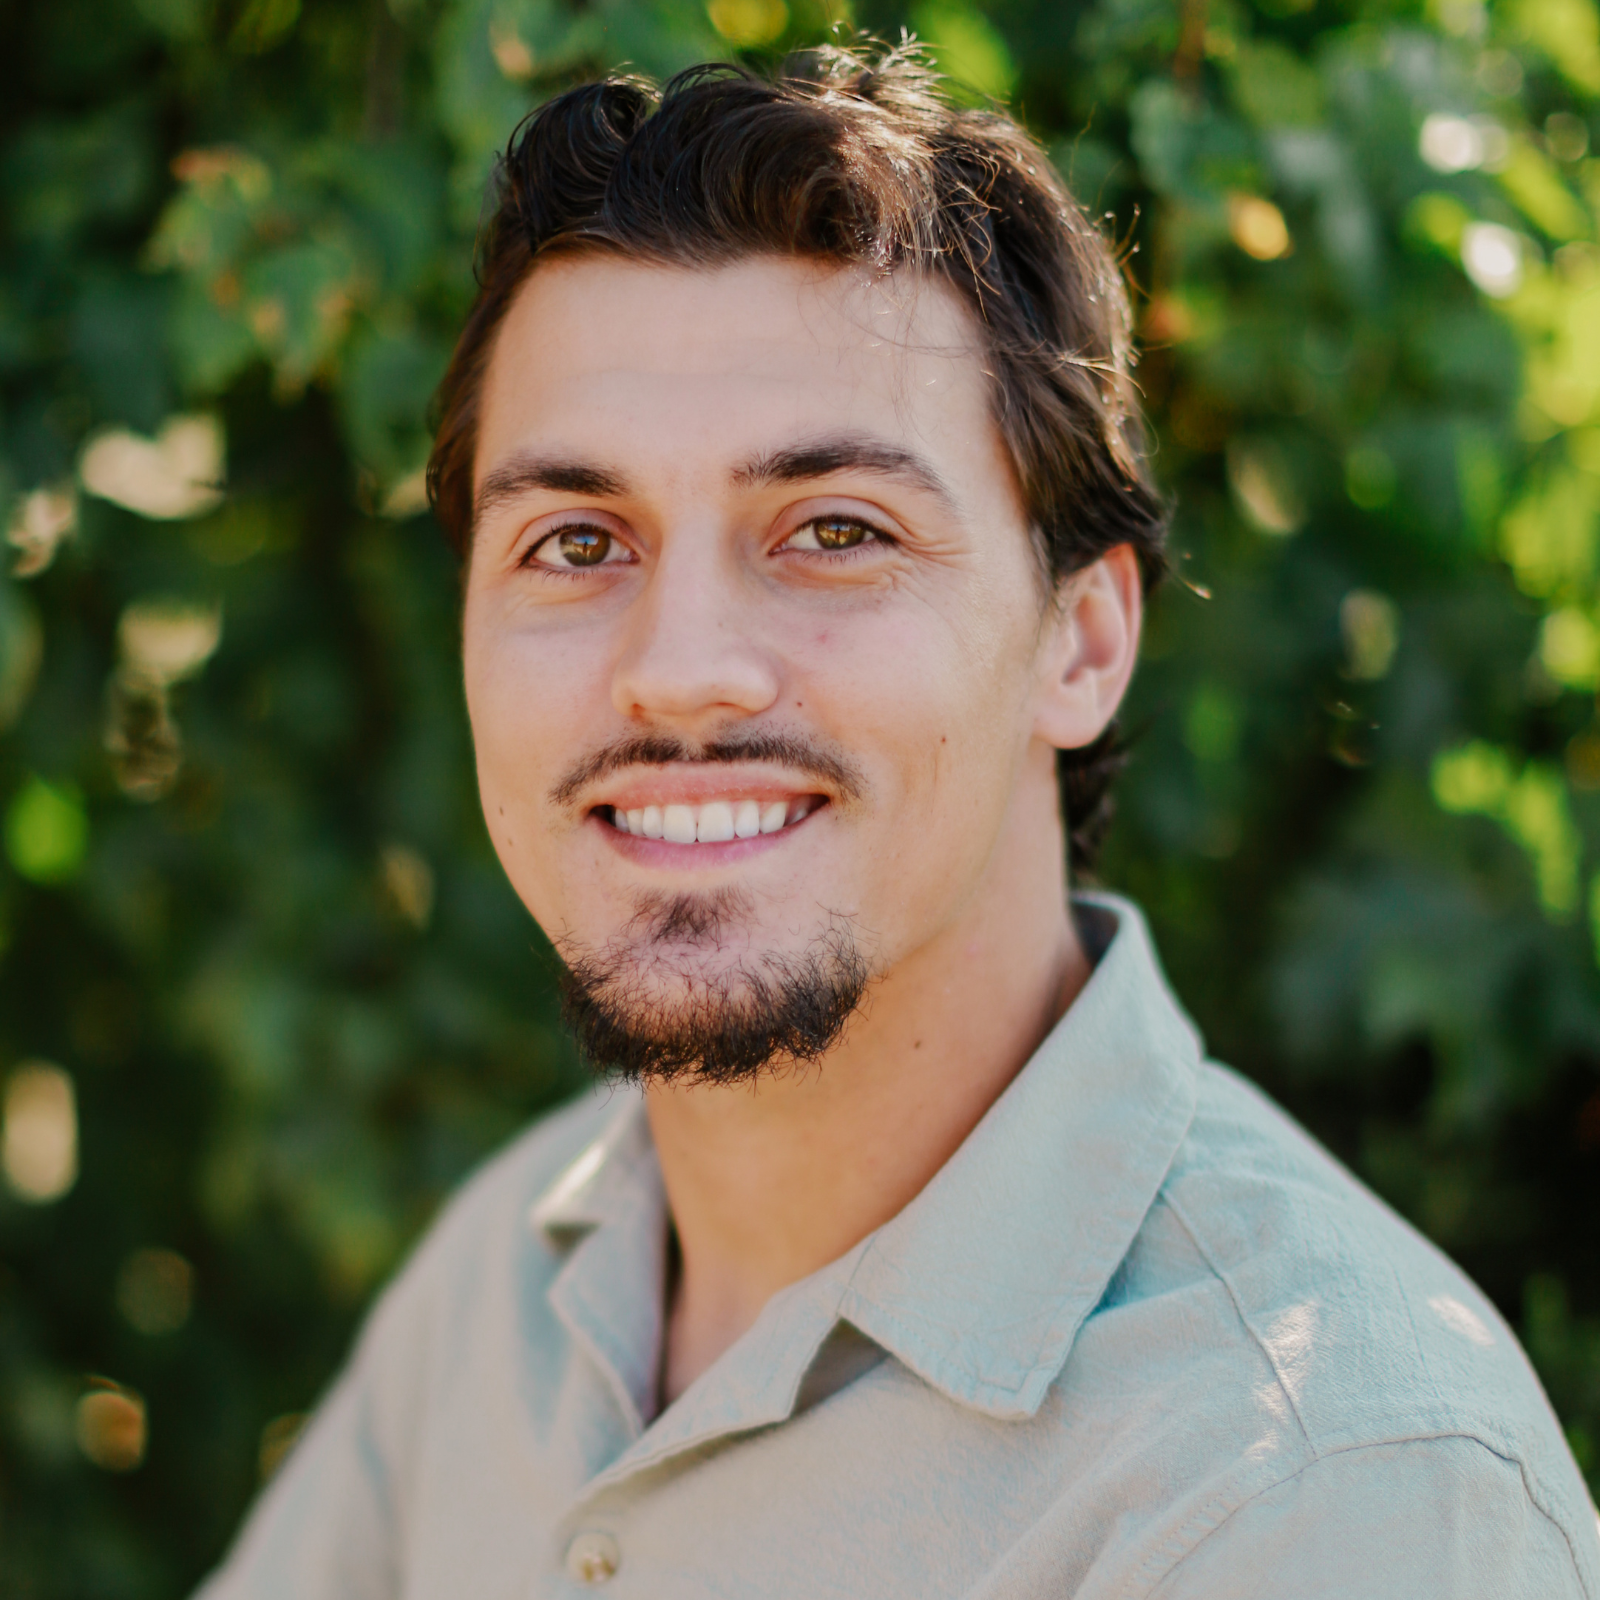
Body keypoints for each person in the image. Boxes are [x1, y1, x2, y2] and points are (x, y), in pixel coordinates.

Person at [195, 45, 1598, 1600]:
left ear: (1081, 641)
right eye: (578, 541)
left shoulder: (1324, 1489)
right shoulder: (514, 1276)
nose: (680, 667)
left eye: (836, 529)